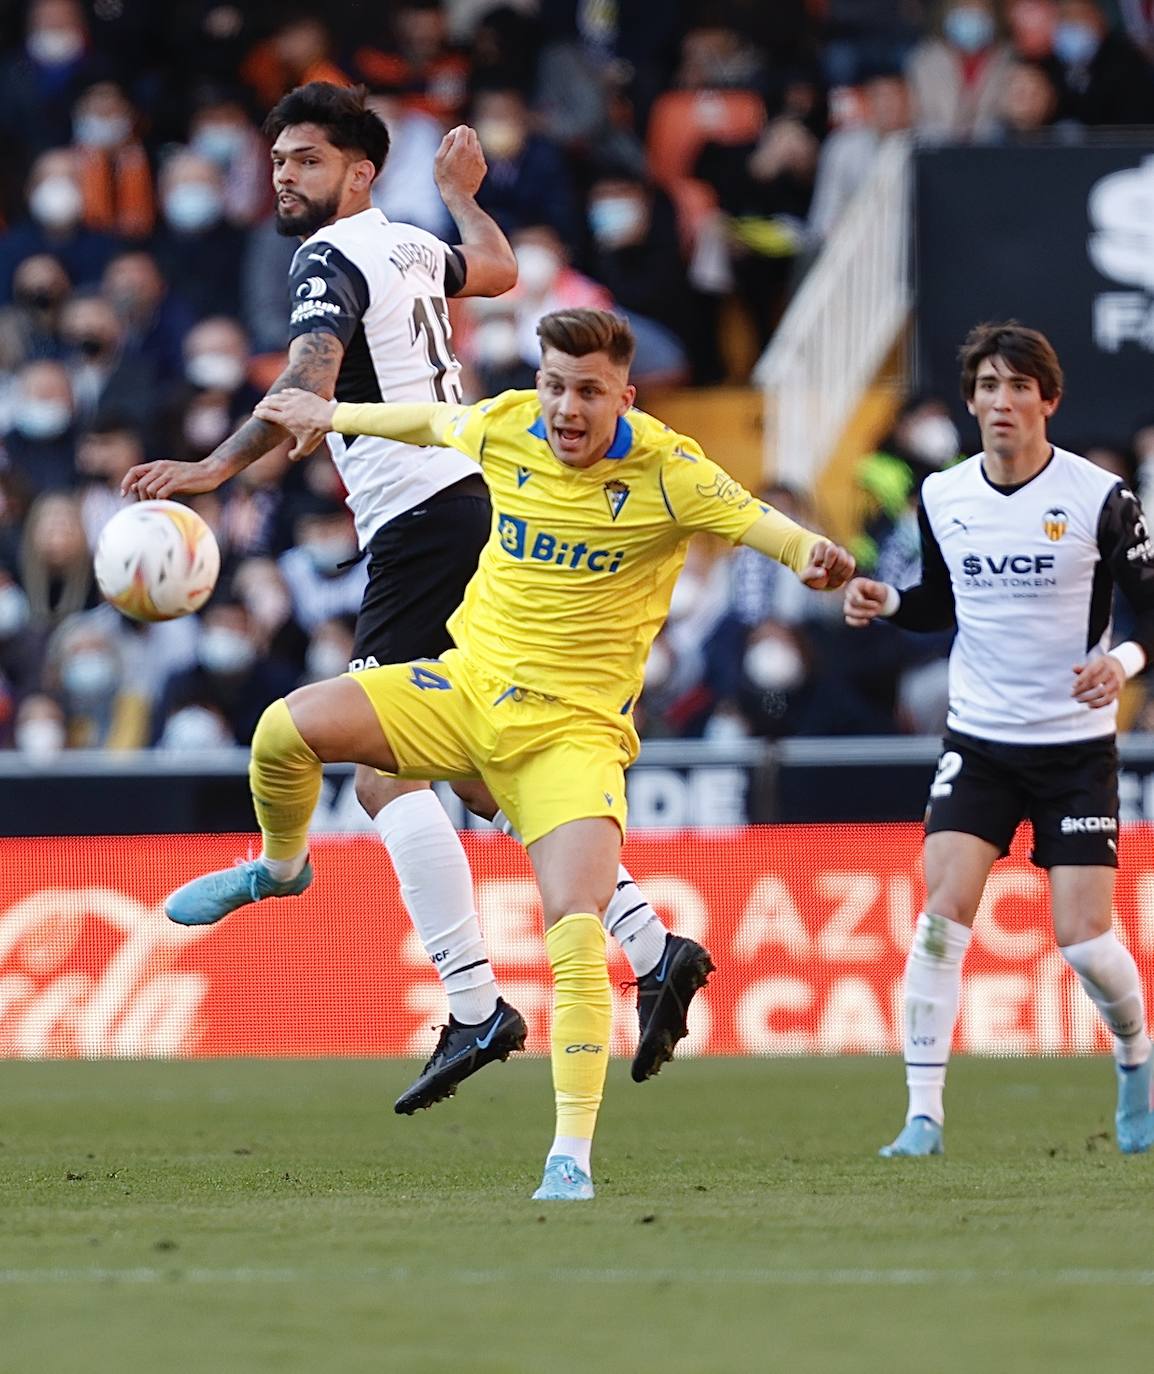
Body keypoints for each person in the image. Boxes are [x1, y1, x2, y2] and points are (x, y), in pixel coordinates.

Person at [163, 307, 854, 1201]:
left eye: (588, 393)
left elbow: (758, 519)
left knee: (569, 930)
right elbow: (425, 421)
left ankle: (569, 1156)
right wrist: (327, 417)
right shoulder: (508, 425)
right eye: (555, 386)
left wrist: (815, 558)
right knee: (283, 729)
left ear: (625, 398)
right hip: (465, 694)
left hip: (571, 737)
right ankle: (281, 868)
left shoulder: (669, 469)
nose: (566, 409)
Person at [120, 83, 694, 1115]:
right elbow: (504, 270)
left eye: (303, 158)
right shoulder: (414, 243)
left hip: (425, 528)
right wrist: (463, 197)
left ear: (355, 174)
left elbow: (307, 372)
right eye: (278, 158)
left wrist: (210, 470)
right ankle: (652, 950)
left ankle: (477, 1003)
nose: (282, 174)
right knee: (481, 775)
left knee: (381, 774)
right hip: (470, 513)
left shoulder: (328, 258)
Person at [843, 321, 1154, 1158]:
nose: (1001, 401)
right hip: (978, 739)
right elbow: (941, 603)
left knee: (1086, 941)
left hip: (1076, 747)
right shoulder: (944, 495)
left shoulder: (1100, 497)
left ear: (1048, 400)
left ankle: (1135, 1059)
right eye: (987, 387)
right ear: (971, 401)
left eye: (1019, 386)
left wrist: (1121, 661)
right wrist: (889, 602)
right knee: (941, 917)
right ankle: (922, 1116)